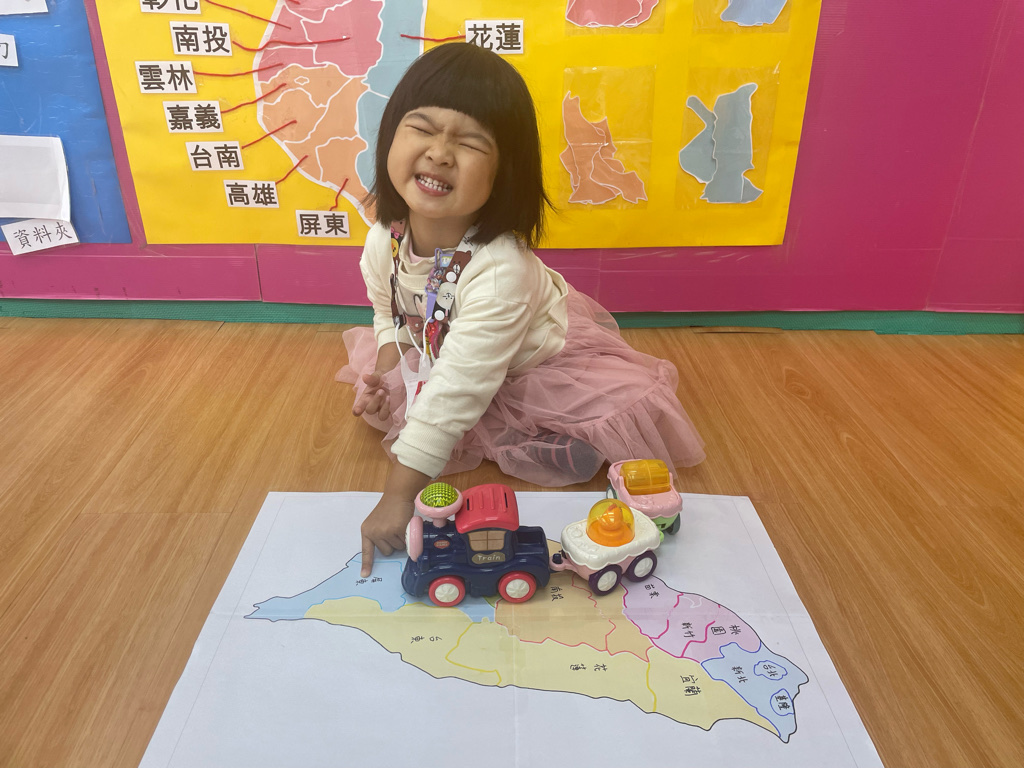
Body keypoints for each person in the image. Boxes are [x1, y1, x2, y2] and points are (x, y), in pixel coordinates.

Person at [337, 43, 704, 576]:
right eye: (422, 128)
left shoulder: (500, 269)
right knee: (419, 401)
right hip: (448, 340)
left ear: (504, 173)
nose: (440, 153)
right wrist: (390, 368)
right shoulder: (384, 239)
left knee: (568, 428)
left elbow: (460, 388)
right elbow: (389, 313)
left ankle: (545, 429)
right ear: (391, 136)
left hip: (536, 360)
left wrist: (397, 499)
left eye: (469, 143)